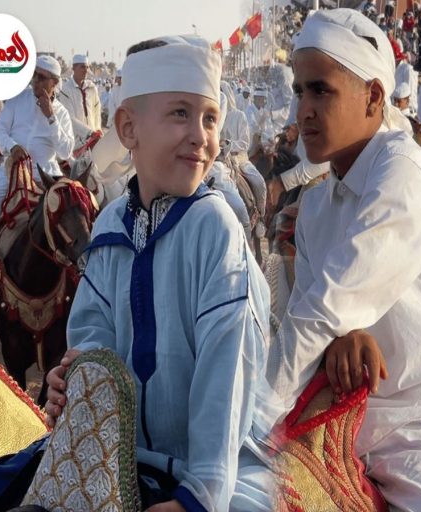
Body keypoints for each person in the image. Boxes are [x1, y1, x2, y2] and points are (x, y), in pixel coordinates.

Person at [261, 9, 421, 510]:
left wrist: (250, 419)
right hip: (346, 417)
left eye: (320, 91)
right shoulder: (316, 207)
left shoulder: (404, 171)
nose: (303, 110)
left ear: (372, 97)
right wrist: (340, 342)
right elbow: (314, 326)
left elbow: (325, 308)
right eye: (299, 91)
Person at [40, 36, 272, 511]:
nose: (201, 136)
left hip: (213, 468)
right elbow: (93, 337)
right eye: (180, 114)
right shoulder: (109, 225)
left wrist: (198, 495)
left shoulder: (215, 228)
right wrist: (77, 376)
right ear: (128, 128)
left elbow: (227, 373)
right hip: (120, 457)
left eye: (210, 118)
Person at [0, 55, 75, 307]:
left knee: (71, 227)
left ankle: (75, 282)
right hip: (9, 174)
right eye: (34, 76)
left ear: (54, 83)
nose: (35, 81)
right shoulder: (18, 100)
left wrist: (50, 117)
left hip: (45, 179)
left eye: (42, 78)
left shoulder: (61, 114)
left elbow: (65, 151)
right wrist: (13, 146)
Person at [58, 53, 102, 146]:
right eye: (82, 67)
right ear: (74, 68)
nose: (86, 70)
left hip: (93, 140)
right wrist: (89, 133)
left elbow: (97, 111)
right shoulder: (66, 89)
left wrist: (97, 128)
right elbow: (69, 117)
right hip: (76, 142)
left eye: (87, 67)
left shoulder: (92, 88)